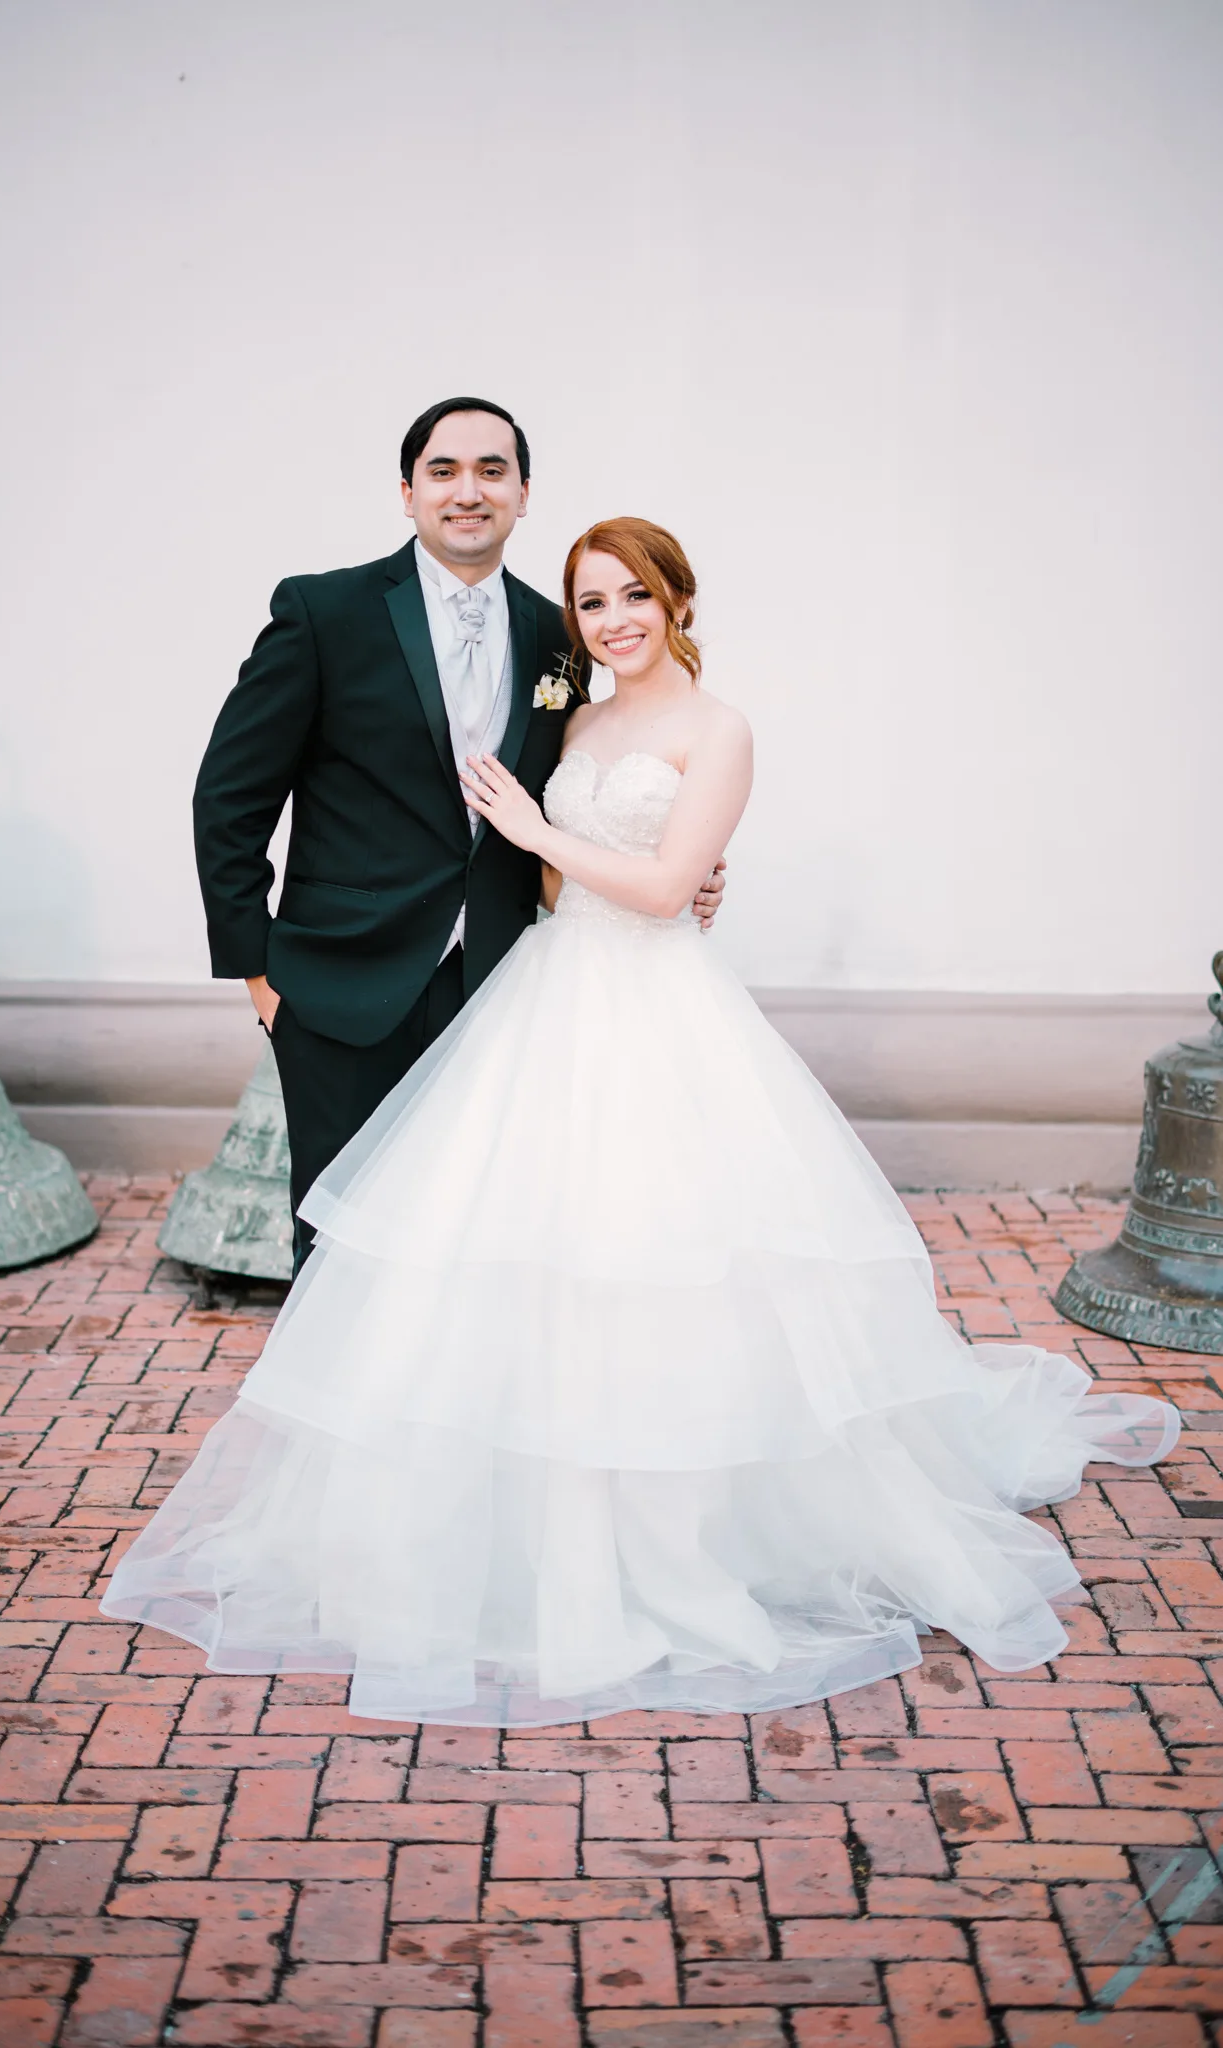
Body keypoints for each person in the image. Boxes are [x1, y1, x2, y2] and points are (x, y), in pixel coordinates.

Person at [105, 517, 1179, 1727]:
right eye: (591, 603)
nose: (613, 620)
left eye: (633, 596)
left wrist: (584, 844)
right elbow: (555, 881)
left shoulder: (719, 730)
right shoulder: (575, 722)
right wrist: (550, 851)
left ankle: (684, 1532)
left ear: (676, 600)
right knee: (518, 1256)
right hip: (550, 994)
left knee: (662, 1256)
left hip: (660, 1011)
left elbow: (664, 887)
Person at [190, 398, 725, 1272]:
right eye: (442, 471)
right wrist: (259, 974)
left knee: (477, 1248)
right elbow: (229, 797)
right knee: (339, 1245)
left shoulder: (558, 634)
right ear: (407, 493)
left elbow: (569, 798)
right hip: (341, 985)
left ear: (523, 493)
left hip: (504, 989)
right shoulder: (324, 611)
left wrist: (681, 861)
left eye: (491, 471)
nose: (467, 491)